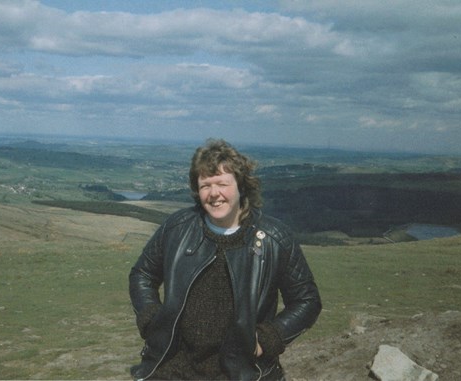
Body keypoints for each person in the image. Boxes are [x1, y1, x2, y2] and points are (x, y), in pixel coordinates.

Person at [129, 139, 321, 381]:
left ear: (241, 185)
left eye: (222, 183)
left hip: (241, 371)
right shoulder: (178, 228)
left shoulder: (275, 238)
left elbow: (307, 300)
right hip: (173, 367)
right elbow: (143, 274)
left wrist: (267, 339)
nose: (214, 193)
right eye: (205, 185)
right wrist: (150, 317)